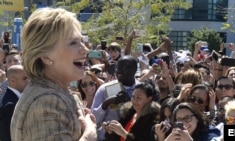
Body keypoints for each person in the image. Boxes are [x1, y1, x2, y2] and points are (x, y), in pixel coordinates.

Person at [10, 7, 97, 141]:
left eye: (82, 41)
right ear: (46, 56)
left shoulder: (56, 93)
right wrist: (89, 135)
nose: (85, 49)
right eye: (73, 43)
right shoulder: (46, 102)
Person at [91, 55, 140, 141]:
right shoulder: (104, 89)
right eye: (118, 67)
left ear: (134, 70)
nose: (118, 71)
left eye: (123, 67)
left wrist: (130, 103)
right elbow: (93, 119)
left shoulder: (142, 89)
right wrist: (106, 103)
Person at [0, 65, 29, 141]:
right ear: (12, 81)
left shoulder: (15, 99)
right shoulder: (9, 105)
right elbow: (10, 135)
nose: (28, 81)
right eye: (25, 78)